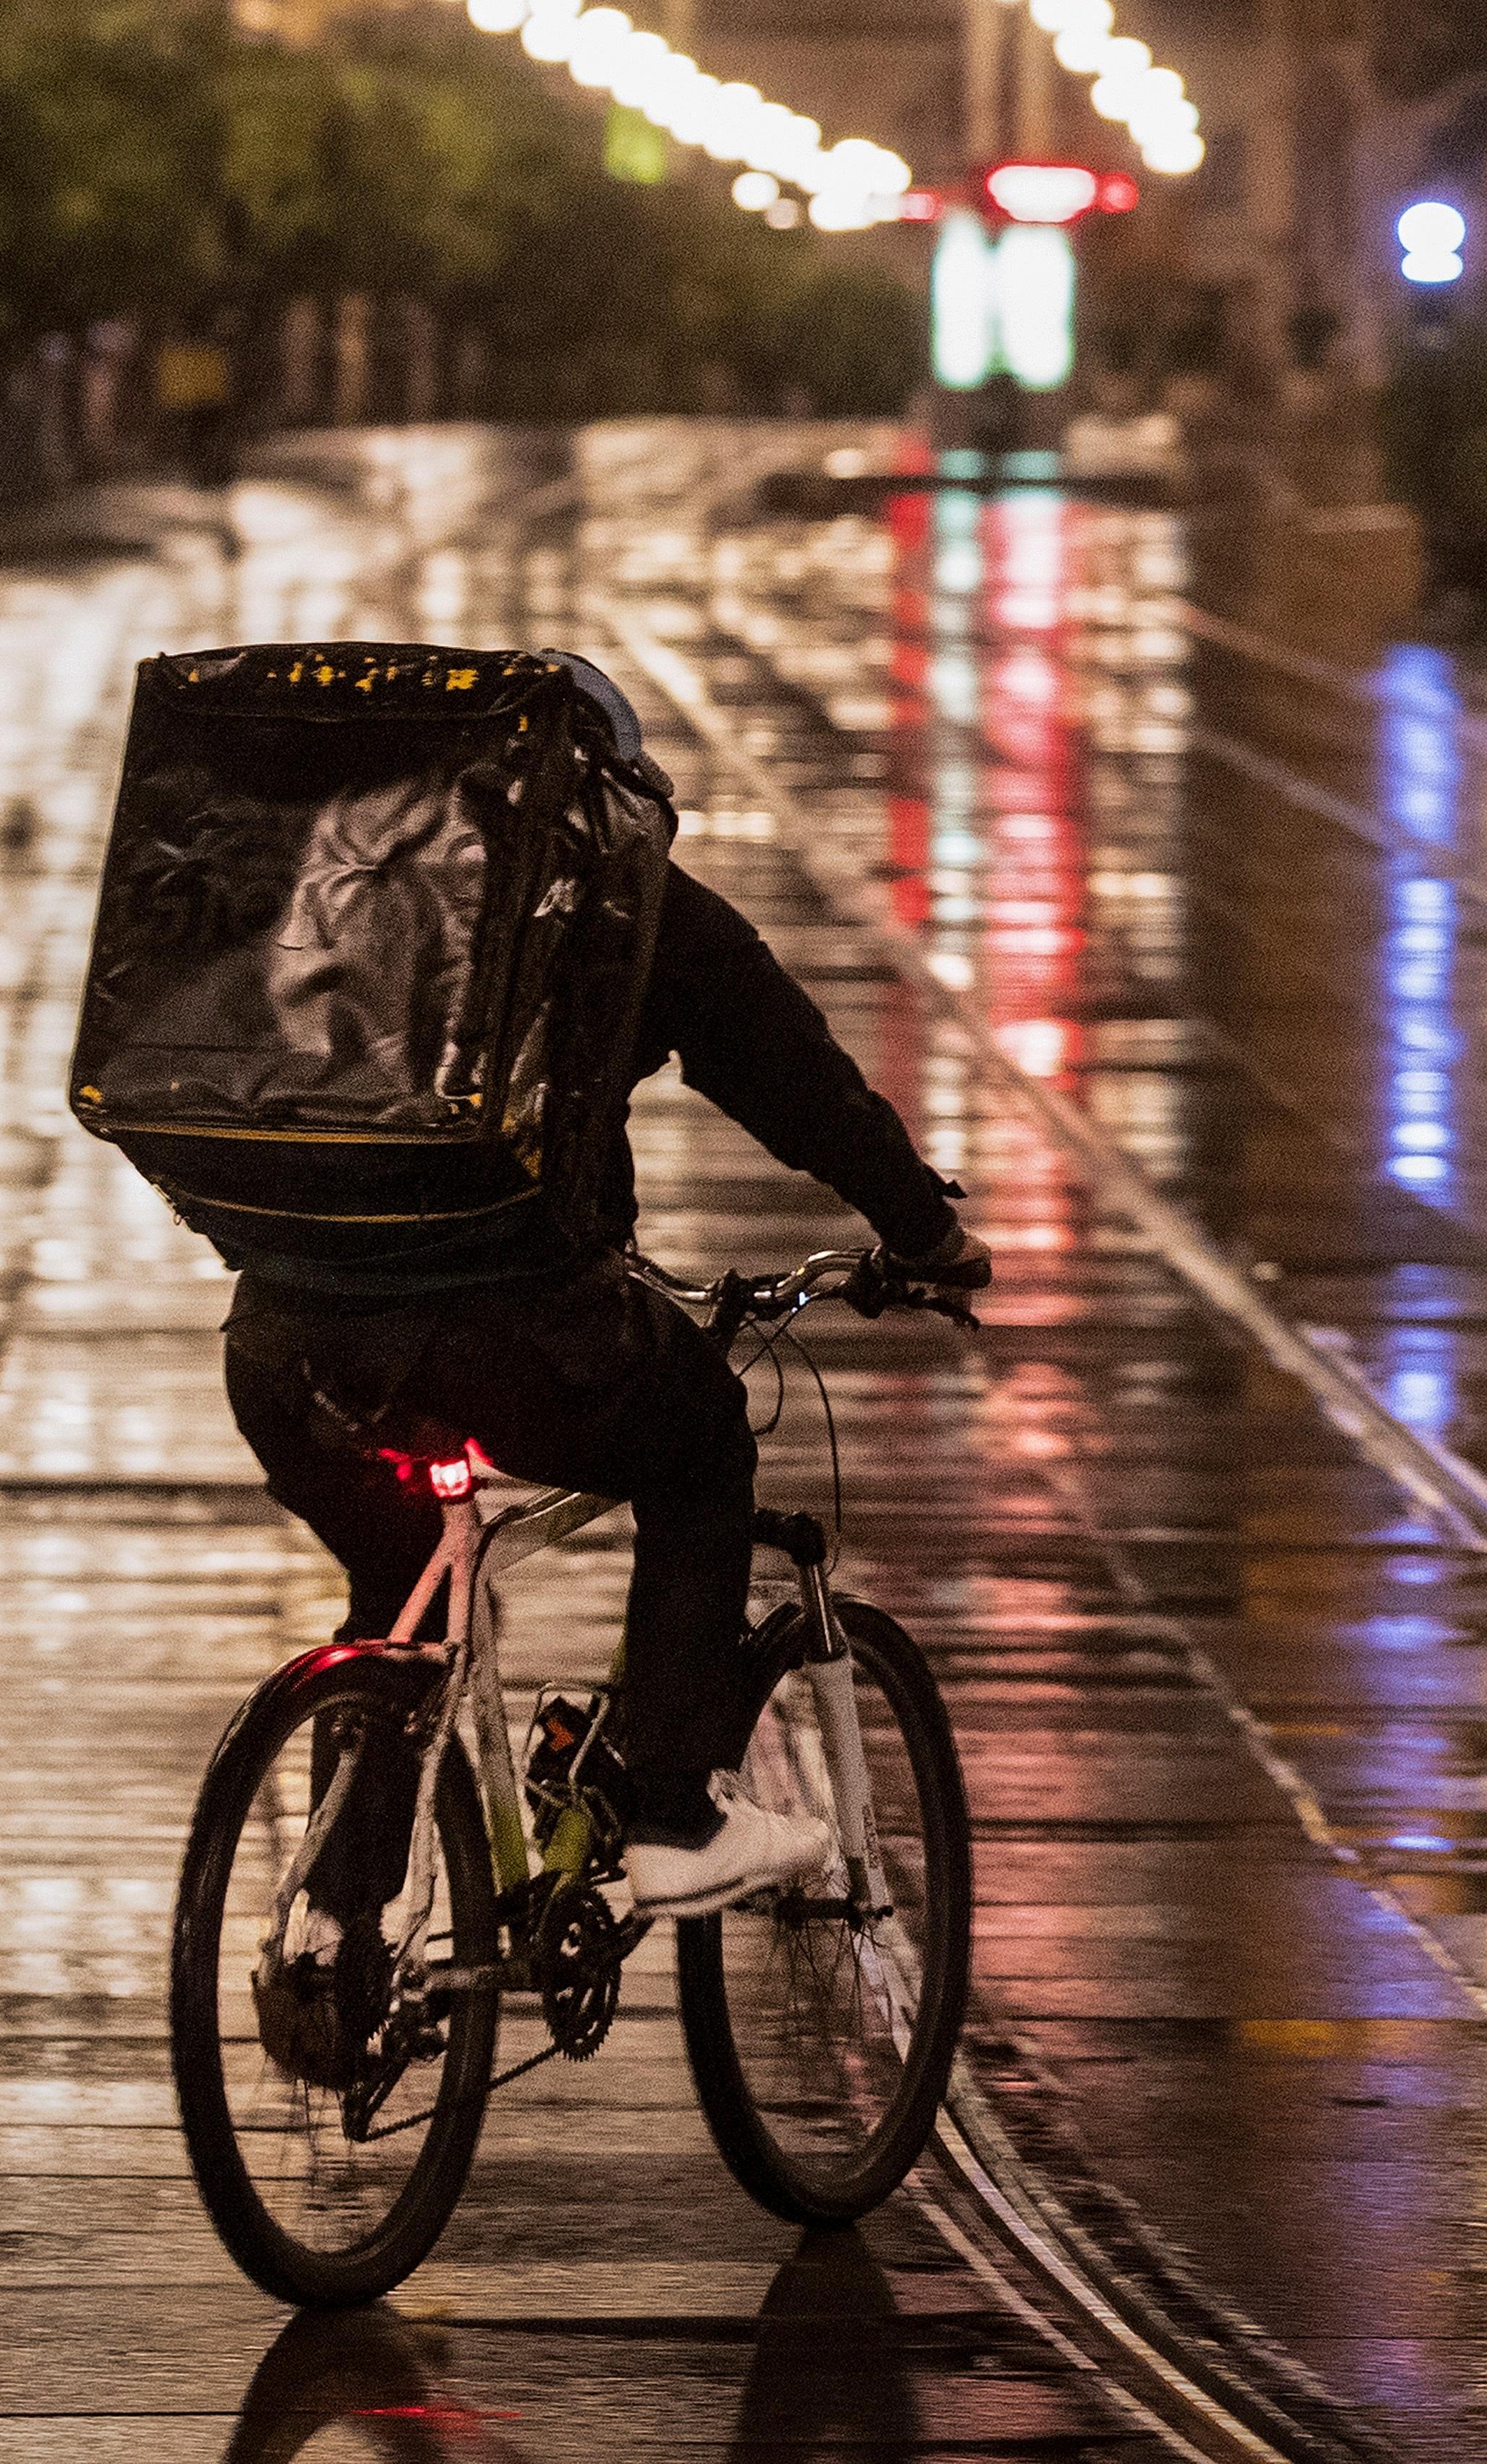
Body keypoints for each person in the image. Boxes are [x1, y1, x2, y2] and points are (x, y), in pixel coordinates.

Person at [222, 657, 991, 1918]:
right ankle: (677, 1809)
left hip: (286, 1339)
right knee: (697, 1449)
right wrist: (925, 1235)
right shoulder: (637, 910)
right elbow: (803, 1090)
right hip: (503, 1325)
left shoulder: (348, 892)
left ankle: (339, 1930)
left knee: (398, 1571)